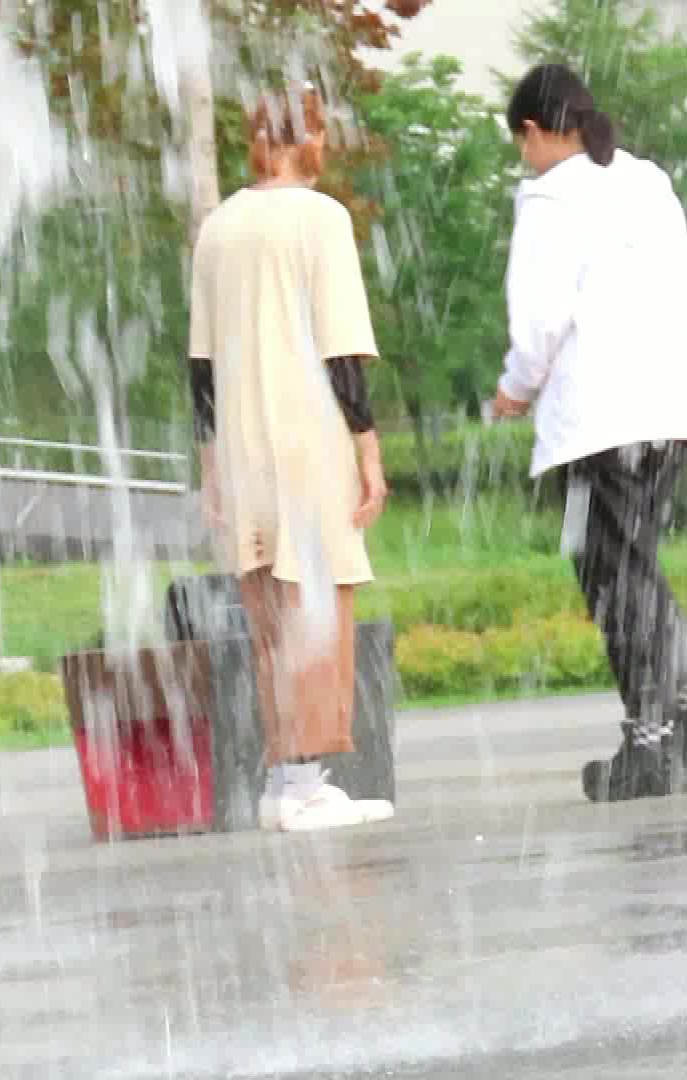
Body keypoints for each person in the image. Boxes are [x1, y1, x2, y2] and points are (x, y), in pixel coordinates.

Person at [492, 63, 687, 802]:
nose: (524, 160)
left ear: (534, 131)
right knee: (629, 567)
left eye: (521, 145)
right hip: (667, 409)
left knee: (614, 576)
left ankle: (655, 740)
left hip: (598, 419)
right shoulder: (648, 182)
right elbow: (679, 287)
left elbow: (540, 320)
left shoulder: (549, 198)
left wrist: (515, 387)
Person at [188, 87, 394, 832]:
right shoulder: (321, 218)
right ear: (308, 139)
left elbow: (201, 367)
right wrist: (368, 447)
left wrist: (211, 467)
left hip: (243, 445)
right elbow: (341, 350)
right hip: (309, 438)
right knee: (319, 604)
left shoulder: (218, 227)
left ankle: (286, 782)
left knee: (270, 612)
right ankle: (303, 786)